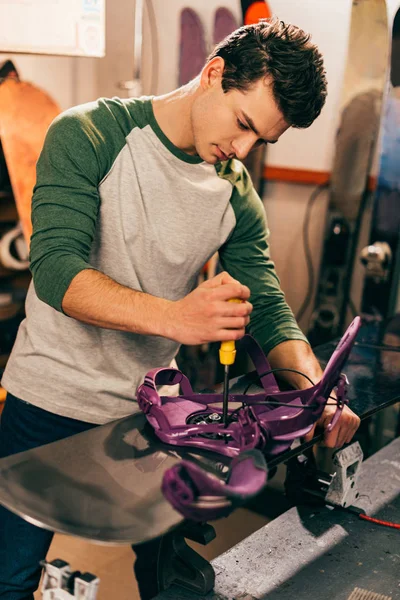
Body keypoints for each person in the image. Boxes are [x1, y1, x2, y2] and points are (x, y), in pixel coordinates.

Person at [0, 18, 360, 600]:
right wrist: (177, 318)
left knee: (171, 582)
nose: (242, 151)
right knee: (7, 576)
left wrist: (318, 394)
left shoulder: (233, 188)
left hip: (155, 417)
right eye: (243, 124)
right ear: (214, 72)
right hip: (49, 403)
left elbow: (267, 303)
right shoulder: (88, 134)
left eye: (260, 141)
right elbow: (56, 271)